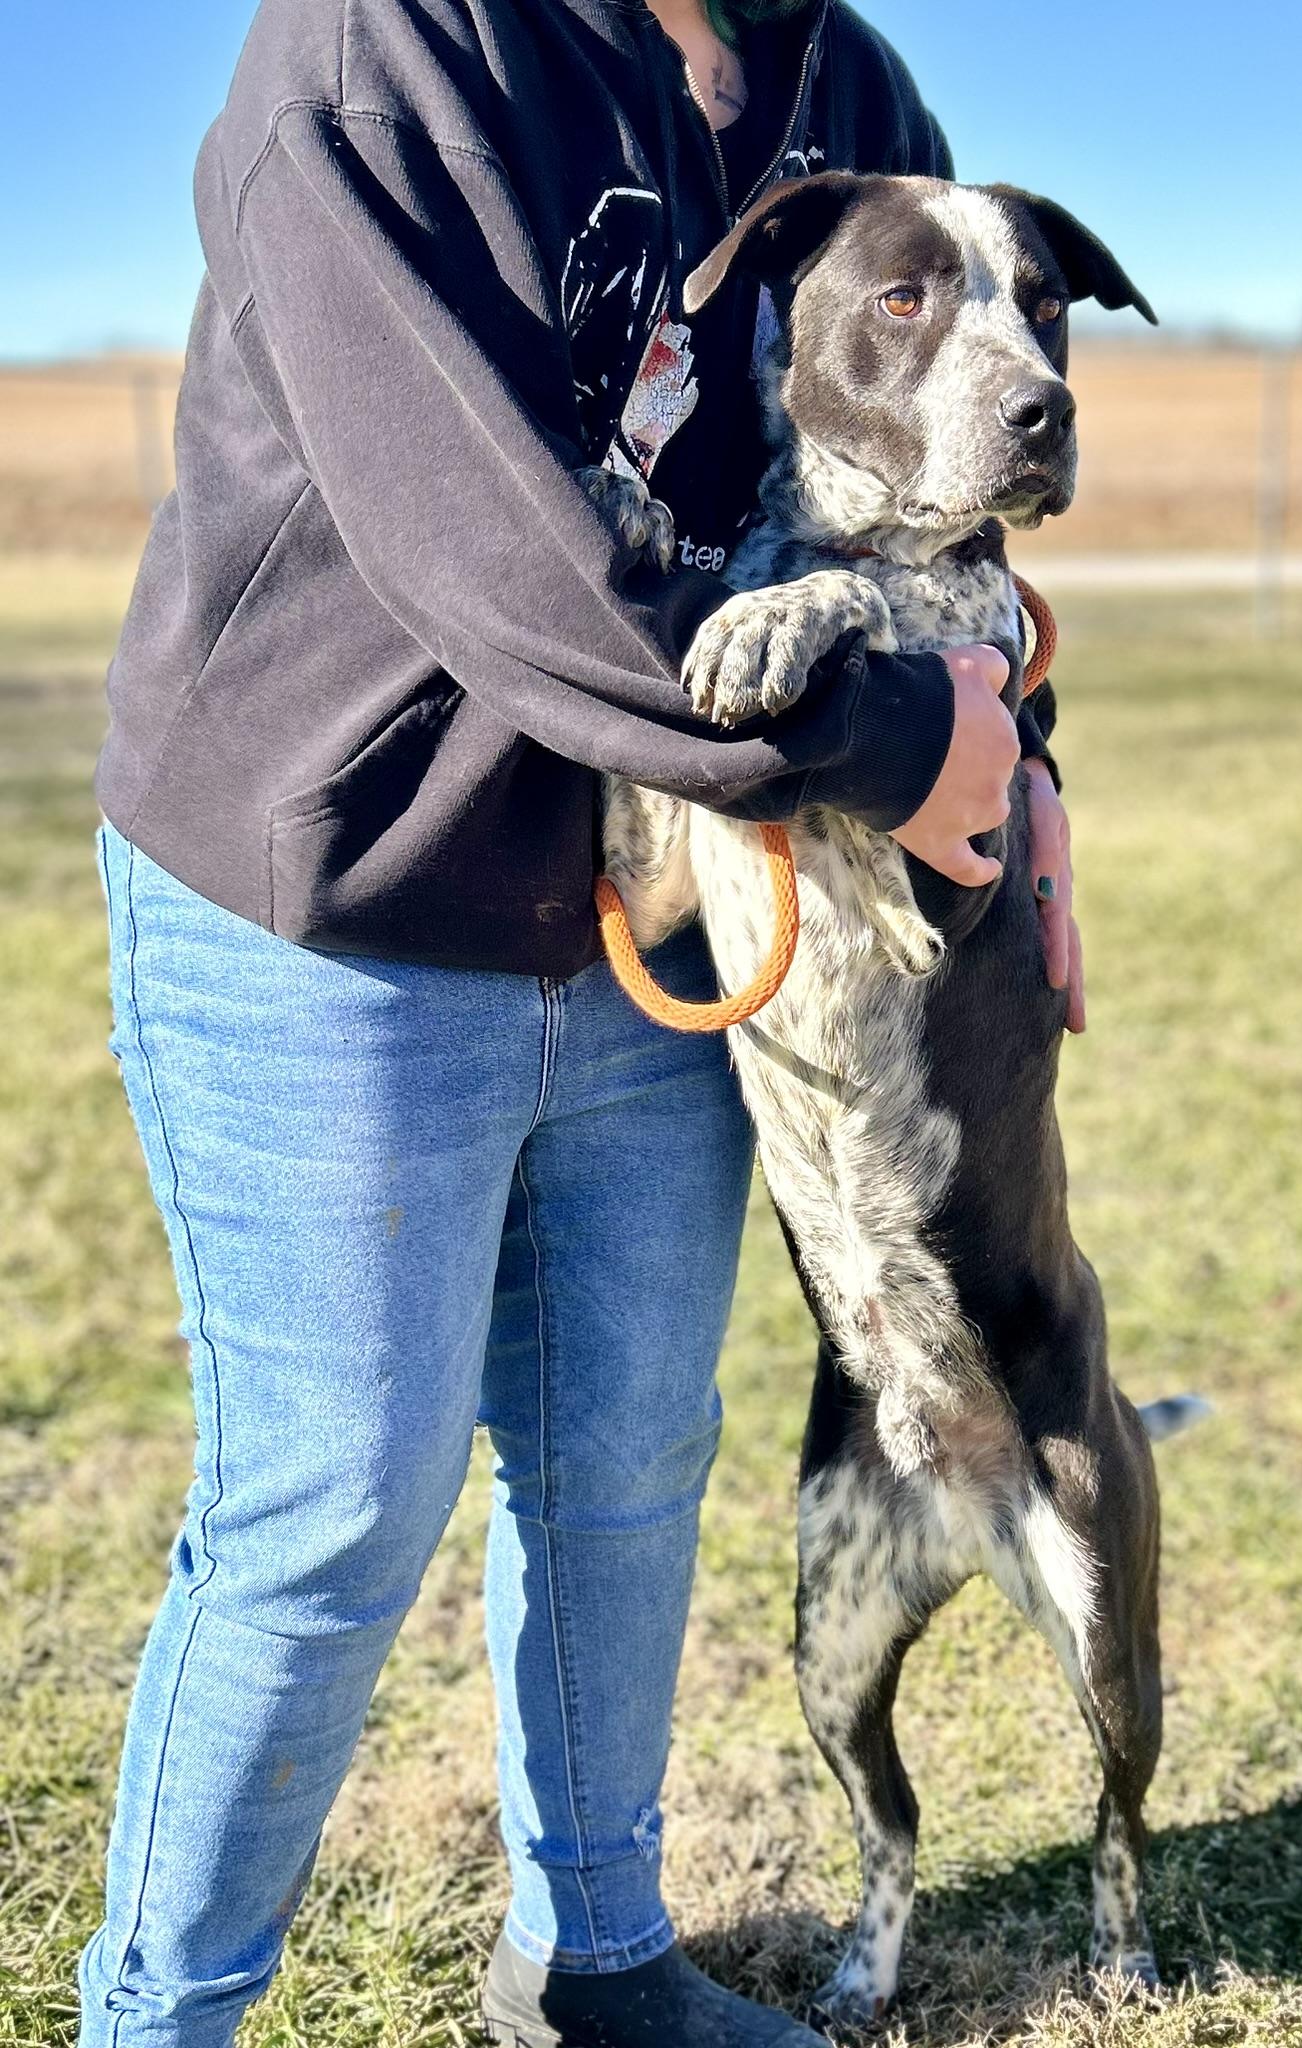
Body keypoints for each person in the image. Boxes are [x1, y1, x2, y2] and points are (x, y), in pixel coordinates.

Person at [81, 0, 1082, 2040]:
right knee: (335, 1505)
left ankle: (598, 1966)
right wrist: (888, 734)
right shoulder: (387, 50)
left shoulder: (850, 87)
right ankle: (156, 2014)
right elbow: (483, 543)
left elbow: (900, 481)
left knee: (628, 1455)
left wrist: (1023, 767)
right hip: (339, 871)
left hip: (665, 889)